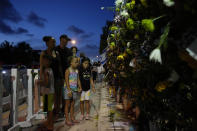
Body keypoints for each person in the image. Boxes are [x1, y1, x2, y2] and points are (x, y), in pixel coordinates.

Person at [40, 36, 63, 121]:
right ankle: (47, 115)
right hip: (47, 77)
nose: (54, 43)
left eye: (54, 42)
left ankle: (56, 113)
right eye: (52, 42)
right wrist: (41, 79)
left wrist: (62, 78)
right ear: (47, 43)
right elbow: (41, 66)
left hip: (57, 77)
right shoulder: (44, 53)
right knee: (47, 96)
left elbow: (59, 65)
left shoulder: (57, 53)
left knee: (57, 96)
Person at [55, 34, 72, 117]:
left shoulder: (69, 51)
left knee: (65, 94)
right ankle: (56, 110)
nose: (67, 42)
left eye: (67, 41)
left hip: (66, 76)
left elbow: (70, 63)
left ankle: (63, 110)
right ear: (61, 39)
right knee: (57, 94)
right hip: (56, 76)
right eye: (65, 40)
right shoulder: (55, 49)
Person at [37, 54, 54, 130]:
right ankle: (49, 123)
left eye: (43, 60)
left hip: (48, 92)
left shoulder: (46, 71)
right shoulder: (49, 69)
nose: (42, 62)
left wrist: (38, 82)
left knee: (49, 110)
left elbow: (46, 83)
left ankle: (50, 125)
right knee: (48, 109)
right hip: (49, 91)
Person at [64, 56, 81, 126]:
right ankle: (67, 119)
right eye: (75, 62)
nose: (77, 63)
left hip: (75, 89)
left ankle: (72, 117)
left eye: (77, 62)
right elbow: (66, 81)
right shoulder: (68, 70)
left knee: (72, 105)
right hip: (68, 90)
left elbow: (78, 80)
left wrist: (80, 87)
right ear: (71, 63)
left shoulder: (77, 71)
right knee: (67, 105)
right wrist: (69, 91)